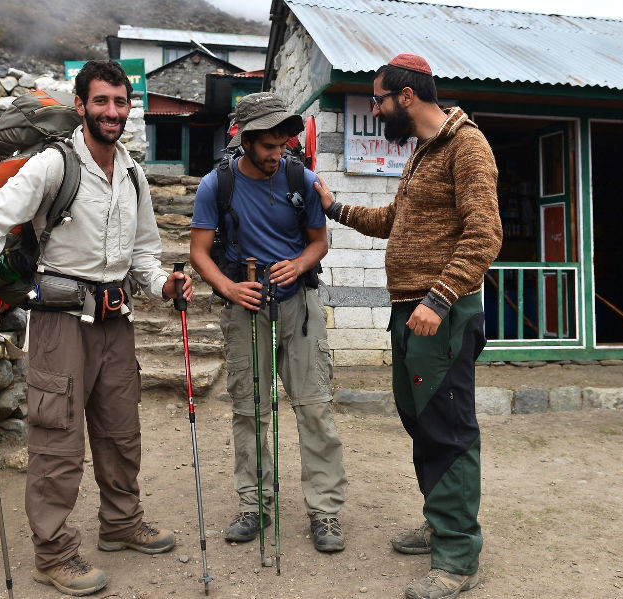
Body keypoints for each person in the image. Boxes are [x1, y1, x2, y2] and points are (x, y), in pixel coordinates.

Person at [0, 60, 192, 596]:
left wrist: (163, 285)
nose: (112, 112)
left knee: (120, 427)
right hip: (59, 322)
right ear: (80, 106)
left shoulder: (131, 174)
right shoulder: (53, 165)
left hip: (115, 321)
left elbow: (146, 251)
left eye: (120, 102)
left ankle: (121, 524)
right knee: (57, 438)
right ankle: (53, 554)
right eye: (100, 101)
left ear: (130, 108)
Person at [314, 54, 502, 599]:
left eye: (379, 99)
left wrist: (439, 299)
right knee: (420, 420)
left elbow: (484, 234)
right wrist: (335, 207)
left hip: (440, 314)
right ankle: (441, 520)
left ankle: (457, 556)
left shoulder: (468, 146)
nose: (376, 109)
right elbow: (394, 219)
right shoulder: (422, 151)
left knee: (448, 428)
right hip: (411, 312)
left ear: (407, 97)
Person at [188, 92, 348, 554]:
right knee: (250, 411)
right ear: (245, 139)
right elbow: (200, 252)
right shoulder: (215, 186)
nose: (280, 154)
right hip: (245, 306)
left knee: (315, 406)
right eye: (270, 146)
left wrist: (299, 264)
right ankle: (253, 504)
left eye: (285, 145)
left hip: (300, 305)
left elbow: (319, 241)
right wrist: (229, 288)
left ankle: (325, 512)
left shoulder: (304, 178)